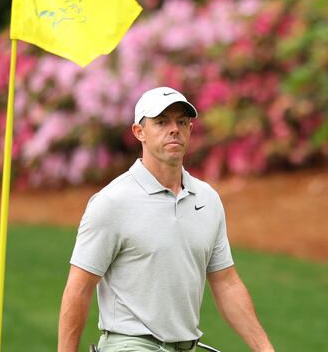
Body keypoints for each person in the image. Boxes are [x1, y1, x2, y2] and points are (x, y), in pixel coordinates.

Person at [58, 87, 275, 352]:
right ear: (139, 132)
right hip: (129, 345)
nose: (174, 129)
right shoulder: (112, 202)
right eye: (161, 122)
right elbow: (78, 289)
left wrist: (264, 347)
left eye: (181, 122)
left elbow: (226, 282)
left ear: (190, 130)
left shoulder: (207, 199)